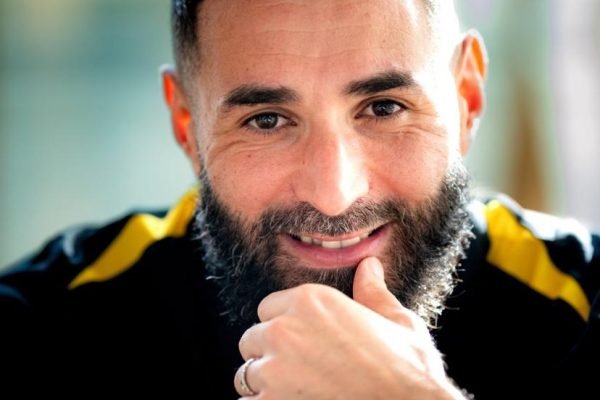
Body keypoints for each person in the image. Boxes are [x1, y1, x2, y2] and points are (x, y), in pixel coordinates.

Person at [1, 0, 598, 398]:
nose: (334, 195)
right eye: (266, 119)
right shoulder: (46, 330)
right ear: (187, 124)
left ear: (466, 97)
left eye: (384, 107)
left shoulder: (584, 301)